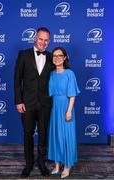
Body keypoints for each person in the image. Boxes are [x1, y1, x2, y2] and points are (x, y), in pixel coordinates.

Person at [14, 27, 53, 178]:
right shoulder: (23, 55)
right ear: (35, 38)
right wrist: (18, 101)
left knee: (43, 135)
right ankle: (29, 164)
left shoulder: (51, 57)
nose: (43, 42)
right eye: (40, 39)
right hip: (27, 103)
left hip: (45, 104)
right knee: (28, 134)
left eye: (46, 40)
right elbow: (17, 80)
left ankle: (42, 164)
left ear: (49, 41)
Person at [48, 47, 80, 178]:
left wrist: (69, 111)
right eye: (54, 56)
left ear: (65, 57)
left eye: (60, 55)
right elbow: (50, 94)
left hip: (66, 107)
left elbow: (72, 95)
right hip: (55, 108)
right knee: (56, 136)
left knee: (67, 137)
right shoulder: (51, 74)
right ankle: (57, 165)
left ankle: (67, 166)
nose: (57, 58)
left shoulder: (69, 73)